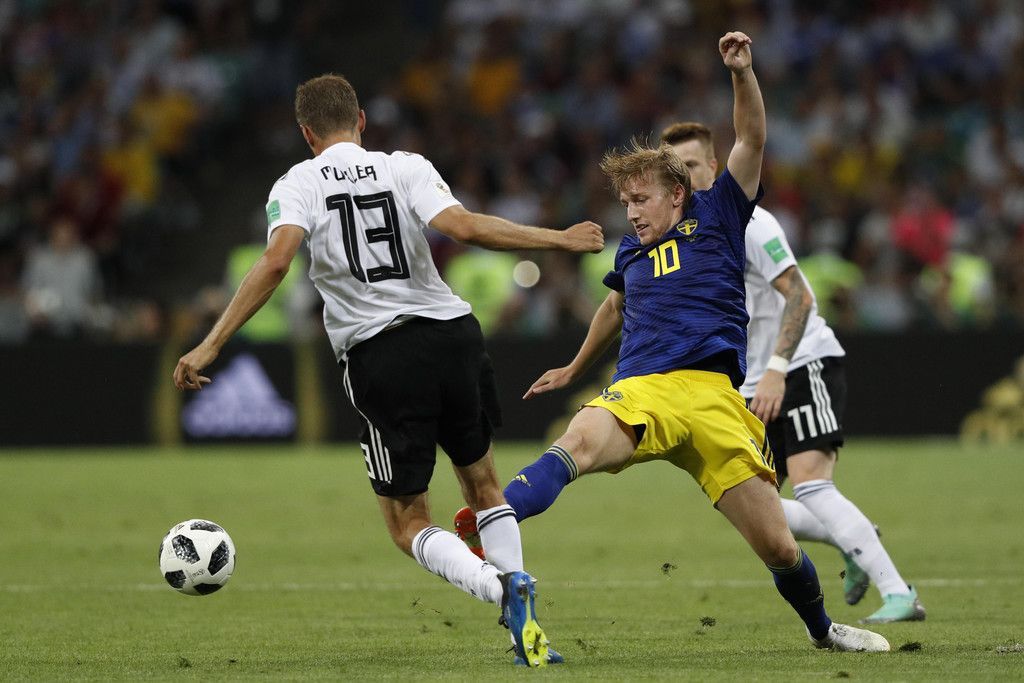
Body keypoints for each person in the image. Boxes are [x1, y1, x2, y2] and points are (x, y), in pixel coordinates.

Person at [456, 32, 889, 652]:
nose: (631, 213)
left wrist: (741, 73)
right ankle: (490, 521)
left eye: (641, 199)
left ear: (677, 194)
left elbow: (751, 139)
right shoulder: (630, 251)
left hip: (715, 398)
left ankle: (824, 631)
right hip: (643, 390)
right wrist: (575, 367)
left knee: (778, 546)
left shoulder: (720, 213)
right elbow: (614, 306)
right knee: (576, 442)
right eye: (624, 202)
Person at [173, 73, 605, 667]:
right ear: (361, 121)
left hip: (382, 352)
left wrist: (211, 343)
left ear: (306, 133)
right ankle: (526, 633)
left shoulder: (297, 183)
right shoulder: (405, 166)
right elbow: (465, 227)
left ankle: (501, 587)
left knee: (408, 521)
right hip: (454, 334)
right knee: (484, 486)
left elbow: (275, 263)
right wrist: (559, 237)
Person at [660, 120, 926, 624]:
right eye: (674, 169)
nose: (684, 177)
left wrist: (778, 370)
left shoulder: (750, 224)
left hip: (800, 363)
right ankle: (850, 538)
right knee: (750, 503)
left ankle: (900, 595)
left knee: (811, 485)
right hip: (750, 385)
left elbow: (800, 295)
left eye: (692, 165)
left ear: (714, 166)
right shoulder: (684, 236)